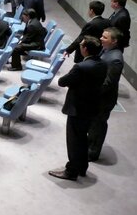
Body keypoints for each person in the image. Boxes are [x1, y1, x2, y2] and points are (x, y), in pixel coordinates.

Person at [48, 36, 107, 181]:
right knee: (82, 139)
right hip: (91, 107)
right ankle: (82, 167)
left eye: (81, 45)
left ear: (85, 49)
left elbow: (63, 82)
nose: (79, 46)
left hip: (77, 108)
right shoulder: (102, 64)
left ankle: (71, 171)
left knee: (74, 140)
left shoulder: (81, 67)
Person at [88, 28, 124, 161]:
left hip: (103, 100)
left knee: (98, 125)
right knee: (93, 123)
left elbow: (108, 83)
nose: (101, 39)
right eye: (102, 36)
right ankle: (89, 145)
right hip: (98, 97)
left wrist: (90, 92)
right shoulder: (106, 50)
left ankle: (93, 153)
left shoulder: (115, 59)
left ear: (114, 41)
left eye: (105, 37)